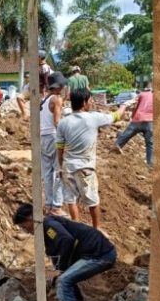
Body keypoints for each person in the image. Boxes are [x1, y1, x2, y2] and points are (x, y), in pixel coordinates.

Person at [13, 203, 117, 301]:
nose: (27, 231)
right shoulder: (47, 227)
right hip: (95, 252)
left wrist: (60, 269)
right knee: (65, 277)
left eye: (25, 227)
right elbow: (60, 248)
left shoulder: (49, 226)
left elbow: (66, 240)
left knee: (63, 281)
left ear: (31, 218)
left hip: (99, 254)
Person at [55, 88, 128, 229]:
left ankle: (76, 228)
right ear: (84, 102)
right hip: (85, 168)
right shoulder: (94, 117)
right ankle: (96, 230)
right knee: (93, 201)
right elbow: (115, 117)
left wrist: (60, 165)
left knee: (71, 200)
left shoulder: (64, 122)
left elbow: (60, 147)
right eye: (90, 100)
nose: (92, 102)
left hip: (68, 166)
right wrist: (124, 106)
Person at [40, 71, 67, 215]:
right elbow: (57, 122)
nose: (63, 88)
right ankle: (56, 207)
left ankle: (49, 204)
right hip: (52, 137)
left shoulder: (44, 100)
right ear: (58, 86)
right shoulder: (56, 99)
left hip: (42, 138)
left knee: (47, 173)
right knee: (58, 171)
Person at [115, 84, 154, 168]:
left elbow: (132, 103)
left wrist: (124, 105)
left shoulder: (142, 94)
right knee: (150, 144)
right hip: (150, 121)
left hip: (138, 119)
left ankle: (114, 149)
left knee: (125, 135)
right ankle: (150, 165)